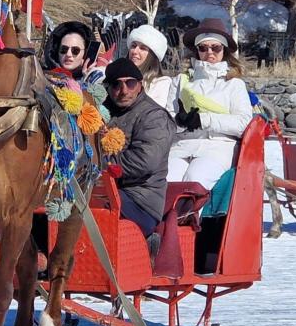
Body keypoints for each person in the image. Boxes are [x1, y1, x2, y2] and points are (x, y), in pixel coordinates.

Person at [165, 18, 252, 190]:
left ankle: (189, 217)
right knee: (167, 181)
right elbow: (167, 120)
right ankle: (167, 217)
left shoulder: (234, 84)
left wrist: (203, 120)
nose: (209, 52)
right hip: (182, 146)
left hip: (217, 148)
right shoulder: (180, 81)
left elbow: (243, 123)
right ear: (197, 51)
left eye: (216, 47)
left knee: (195, 180)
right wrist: (180, 122)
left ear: (224, 50)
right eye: (203, 48)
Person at [103, 58, 176, 255]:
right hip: (105, 191)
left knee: (89, 210)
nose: (124, 90)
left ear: (140, 85)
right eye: (117, 84)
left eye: (130, 83)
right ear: (107, 88)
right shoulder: (100, 112)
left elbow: (144, 162)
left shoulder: (154, 116)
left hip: (140, 201)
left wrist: (97, 164)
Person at [125, 24, 172, 108]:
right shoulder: (119, 78)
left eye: (143, 48)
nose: (135, 51)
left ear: (152, 56)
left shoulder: (161, 83)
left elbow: (153, 114)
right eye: (133, 46)